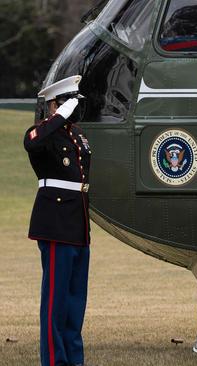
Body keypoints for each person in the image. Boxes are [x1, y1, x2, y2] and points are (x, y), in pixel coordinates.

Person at [24, 75, 91, 366]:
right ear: (54, 104)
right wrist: (57, 115)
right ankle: (54, 361)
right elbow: (32, 145)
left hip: (77, 222)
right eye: (68, 103)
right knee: (56, 301)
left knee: (75, 301)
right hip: (55, 222)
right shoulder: (42, 134)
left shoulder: (76, 136)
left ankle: (74, 360)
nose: (73, 109)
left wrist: (66, 116)